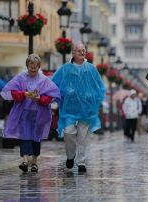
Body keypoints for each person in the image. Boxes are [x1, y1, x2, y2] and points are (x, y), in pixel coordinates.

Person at [0, 54, 61, 173]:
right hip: (24, 113)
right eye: (30, 67)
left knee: (36, 138)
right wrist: (24, 94)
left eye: (35, 67)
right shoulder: (20, 78)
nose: (33, 70)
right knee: (24, 137)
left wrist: (40, 99)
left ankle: (34, 162)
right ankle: (24, 160)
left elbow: (51, 96)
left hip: (39, 114)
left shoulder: (44, 80)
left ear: (38, 67)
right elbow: (12, 92)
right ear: (27, 66)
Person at [52, 43, 106, 173]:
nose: (82, 52)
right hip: (69, 108)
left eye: (84, 50)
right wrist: (63, 92)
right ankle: (70, 156)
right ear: (73, 53)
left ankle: (81, 162)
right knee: (68, 132)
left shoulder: (91, 69)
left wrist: (92, 96)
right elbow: (53, 83)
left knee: (83, 136)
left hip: (86, 109)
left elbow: (100, 86)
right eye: (79, 51)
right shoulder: (65, 68)